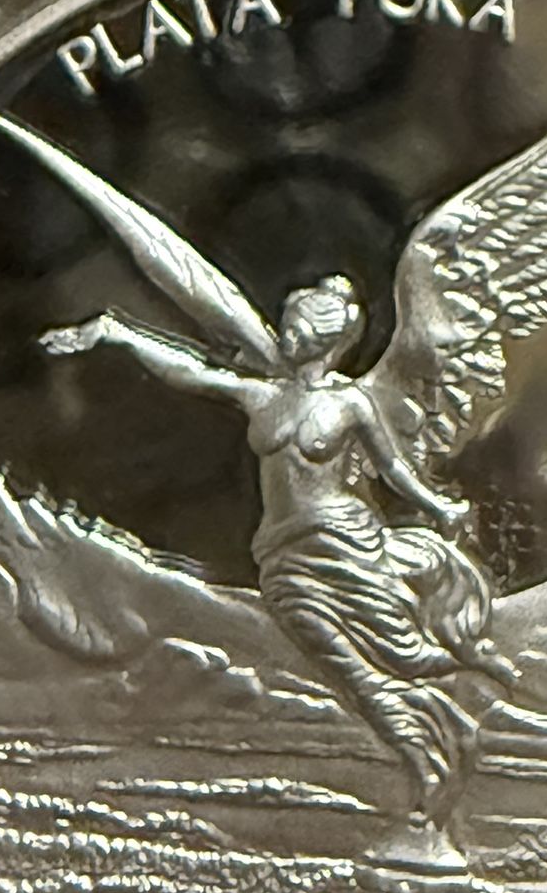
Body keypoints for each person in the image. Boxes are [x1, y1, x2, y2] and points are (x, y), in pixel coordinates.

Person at [42, 273, 513, 823]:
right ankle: (427, 734)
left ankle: (441, 723)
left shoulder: (351, 403)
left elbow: (392, 469)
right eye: (289, 328)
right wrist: (119, 335)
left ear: (325, 341)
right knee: (337, 656)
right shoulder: (264, 396)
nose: (287, 338)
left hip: (343, 542)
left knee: (391, 652)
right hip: (282, 553)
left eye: (298, 330)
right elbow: (193, 373)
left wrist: (438, 507)